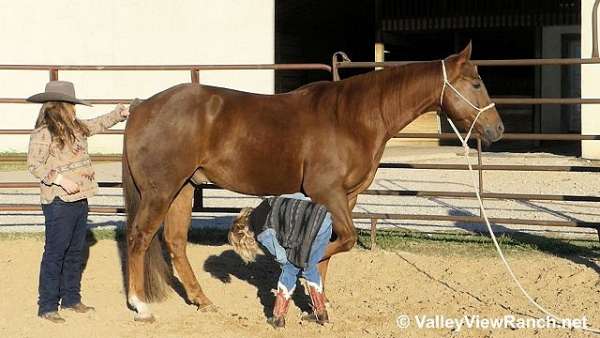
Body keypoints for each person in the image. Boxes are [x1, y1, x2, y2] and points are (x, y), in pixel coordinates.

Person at [26, 81, 129, 323]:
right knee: (55, 253)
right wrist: (60, 179)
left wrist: (118, 114)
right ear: (61, 105)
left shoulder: (76, 127)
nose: (74, 109)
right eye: (71, 104)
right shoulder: (44, 132)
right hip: (59, 201)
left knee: (74, 252)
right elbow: (34, 164)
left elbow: (98, 124)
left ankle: (71, 299)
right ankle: (48, 305)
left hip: (79, 198)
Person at [228, 192, 332, 328]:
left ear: (244, 238)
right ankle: (321, 313)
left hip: (312, 230)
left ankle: (278, 317)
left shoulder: (262, 232)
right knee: (309, 267)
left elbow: (282, 258)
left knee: (289, 268)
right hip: (324, 218)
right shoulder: (266, 203)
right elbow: (299, 196)